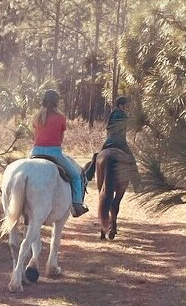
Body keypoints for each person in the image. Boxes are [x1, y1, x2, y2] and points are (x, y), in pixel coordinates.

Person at [30, 89, 89, 217]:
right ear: (57, 102)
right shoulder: (61, 118)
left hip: (35, 151)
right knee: (75, 176)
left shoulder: (37, 116)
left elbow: (35, 135)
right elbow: (60, 137)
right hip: (54, 153)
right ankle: (77, 205)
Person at [85, 96, 140, 187]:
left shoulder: (113, 113)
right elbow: (126, 124)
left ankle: (88, 175)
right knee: (131, 160)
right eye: (126, 105)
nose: (127, 107)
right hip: (120, 142)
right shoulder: (121, 114)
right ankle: (137, 184)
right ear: (121, 105)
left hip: (109, 141)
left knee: (97, 156)